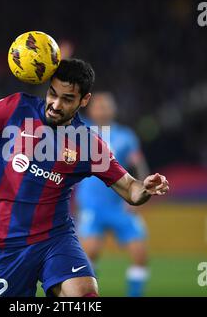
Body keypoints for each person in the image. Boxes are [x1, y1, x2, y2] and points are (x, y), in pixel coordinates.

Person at [0, 58, 169, 297]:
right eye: (53, 94)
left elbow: (130, 190)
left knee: (84, 293)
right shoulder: (15, 109)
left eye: (67, 99)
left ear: (84, 101)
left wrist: (145, 187)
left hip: (55, 239)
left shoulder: (87, 144)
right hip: (5, 243)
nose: (56, 104)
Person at [76, 92, 151, 297]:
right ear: (90, 109)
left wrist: (143, 191)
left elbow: (138, 165)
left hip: (120, 204)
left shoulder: (126, 136)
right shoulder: (80, 130)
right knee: (87, 257)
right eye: (98, 106)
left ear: (114, 109)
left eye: (106, 106)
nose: (102, 110)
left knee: (140, 255)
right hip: (92, 206)